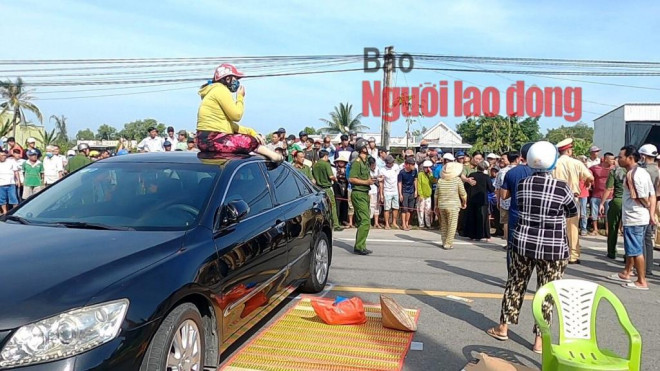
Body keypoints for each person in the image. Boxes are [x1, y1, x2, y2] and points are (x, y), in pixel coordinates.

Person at [487, 141, 578, 353]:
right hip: (553, 248)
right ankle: (539, 339)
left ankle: (503, 327)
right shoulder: (561, 187)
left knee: (515, 284)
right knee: (546, 292)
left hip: (523, 242)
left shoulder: (522, 184)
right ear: (553, 162)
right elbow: (572, 211)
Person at [195, 63, 282, 162]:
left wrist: (251, 131)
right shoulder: (220, 90)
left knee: (246, 139)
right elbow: (236, 115)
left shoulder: (213, 91)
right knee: (248, 141)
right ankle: (275, 157)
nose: (237, 82)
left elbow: (230, 126)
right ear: (227, 79)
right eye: (235, 78)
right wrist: (240, 97)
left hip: (204, 140)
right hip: (212, 139)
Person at [608, 145, 655, 290]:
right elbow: (652, 194)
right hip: (638, 216)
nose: (618, 159)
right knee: (631, 248)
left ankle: (641, 281)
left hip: (635, 217)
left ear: (630, 158)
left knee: (635, 250)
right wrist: (651, 214)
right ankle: (626, 272)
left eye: (621, 157)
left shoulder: (631, 175)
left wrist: (647, 208)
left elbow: (641, 197)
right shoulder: (643, 172)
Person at [552, 138, 594, 264]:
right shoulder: (577, 163)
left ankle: (558, 253)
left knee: (557, 227)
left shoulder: (554, 163)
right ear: (569, 151)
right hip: (572, 197)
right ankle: (573, 255)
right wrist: (587, 182)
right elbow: (590, 177)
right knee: (573, 228)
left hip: (557, 198)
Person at [501, 143, 535, 268]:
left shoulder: (511, 172)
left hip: (516, 213)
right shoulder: (541, 173)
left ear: (521, 156)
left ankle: (512, 275)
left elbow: (504, 195)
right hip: (535, 216)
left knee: (512, 246)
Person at [637, 144, 660, 277]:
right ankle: (648, 267)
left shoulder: (643, 171)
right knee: (648, 240)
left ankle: (641, 268)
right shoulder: (657, 170)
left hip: (643, 206)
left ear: (643, 156)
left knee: (641, 239)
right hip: (654, 205)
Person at [348, 138, 374, 255]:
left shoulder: (365, 162)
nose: (368, 148)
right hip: (358, 193)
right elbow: (351, 178)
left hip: (364, 193)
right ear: (362, 148)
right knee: (365, 220)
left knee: (363, 220)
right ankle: (359, 246)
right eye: (366, 146)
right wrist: (366, 182)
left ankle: (361, 245)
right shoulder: (357, 162)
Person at [435, 162, 467, 249]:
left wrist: (436, 206)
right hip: (453, 205)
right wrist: (464, 202)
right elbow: (463, 194)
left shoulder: (440, 181)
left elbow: (436, 195)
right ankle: (448, 243)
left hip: (442, 205)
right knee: (452, 225)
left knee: (444, 224)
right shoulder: (457, 180)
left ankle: (444, 241)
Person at [600, 156, 627, 259]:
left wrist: (602, 203)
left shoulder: (614, 172)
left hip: (617, 200)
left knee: (613, 227)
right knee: (627, 229)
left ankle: (612, 252)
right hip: (629, 202)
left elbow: (608, 188)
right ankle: (628, 255)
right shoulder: (631, 171)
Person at [464, 161, 495, 241]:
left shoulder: (472, 175)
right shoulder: (486, 177)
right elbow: (491, 189)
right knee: (483, 218)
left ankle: (472, 234)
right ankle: (484, 235)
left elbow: (466, 186)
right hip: (482, 200)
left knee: (472, 216)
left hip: (472, 199)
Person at [313, 150, 343, 232]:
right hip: (326, 188)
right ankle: (336, 225)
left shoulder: (315, 165)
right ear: (325, 156)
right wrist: (335, 179)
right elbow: (330, 176)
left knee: (322, 208)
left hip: (318, 189)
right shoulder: (326, 164)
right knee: (332, 206)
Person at [589, 152, 614, 236]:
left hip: (609, 195)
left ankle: (607, 230)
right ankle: (595, 229)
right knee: (594, 212)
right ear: (605, 159)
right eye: (611, 159)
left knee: (609, 213)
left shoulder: (614, 169)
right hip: (596, 194)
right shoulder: (595, 168)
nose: (613, 161)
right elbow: (587, 171)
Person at [495, 152, 518, 241]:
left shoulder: (502, 171)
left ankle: (506, 239)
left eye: (503, 158)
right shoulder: (519, 170)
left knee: (506, 221)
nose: (501, 160)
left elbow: (497, 188)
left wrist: (498, 201)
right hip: (516, 200)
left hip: (504, 200)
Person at [380, 155, 401, 230]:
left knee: (396, 207)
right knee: (387, 208)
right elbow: (381, 182)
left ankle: (394, 222)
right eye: (390, 163)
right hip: (387, 191)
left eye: (392, 162)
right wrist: (381, 194)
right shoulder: (382, 170)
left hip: (395, 190)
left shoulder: (396, 167)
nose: (392, 163)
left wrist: (399, 191)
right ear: (386, 163)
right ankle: (387, 224)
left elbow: (399, 179)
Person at [398, 157, 418, 231]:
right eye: (412, 164)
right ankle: (403, 224)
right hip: (405, 191)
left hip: (412, 191)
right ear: (407, 165)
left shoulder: (414, 171)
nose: (413, 166)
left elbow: (415, 180)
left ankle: (407, 223)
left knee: (410, 209)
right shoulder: (402, 172)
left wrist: (416, 191)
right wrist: (400, 194)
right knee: (404, 209)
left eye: (414, 164)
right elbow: (400, 183)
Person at [417, 160, 436, 228]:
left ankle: (428, 224)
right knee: (421, 210)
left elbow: (434, 181)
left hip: (428, 195)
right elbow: (419, 185)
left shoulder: (431, 175)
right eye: (426, 167)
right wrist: (420, 195)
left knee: (428, 210)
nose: (427, 169)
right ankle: (421, 224)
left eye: (429, 167)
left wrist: (431, 174)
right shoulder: (420, 174)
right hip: (422, 195)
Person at [0, 150, 20, 214]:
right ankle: (4, 212)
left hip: (11, 184)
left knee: (14, 198)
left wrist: (18, 181)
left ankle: (16, 212)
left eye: (5, 155)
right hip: (1, 184)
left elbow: (16, 171)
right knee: (2, 199)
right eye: (2, 155)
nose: (4, 157)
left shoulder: (11, 161)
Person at [368, 156, 383, 228]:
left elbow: (381, 179)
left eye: (374, 164)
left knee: (377, 206)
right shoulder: (367, 170)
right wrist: (376, 178)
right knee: (371, 206)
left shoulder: (377, 169)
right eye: (372, 165)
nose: (374, 166)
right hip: (370, 191)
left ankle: (376, 223)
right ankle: (369, 222)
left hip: (376, 190)